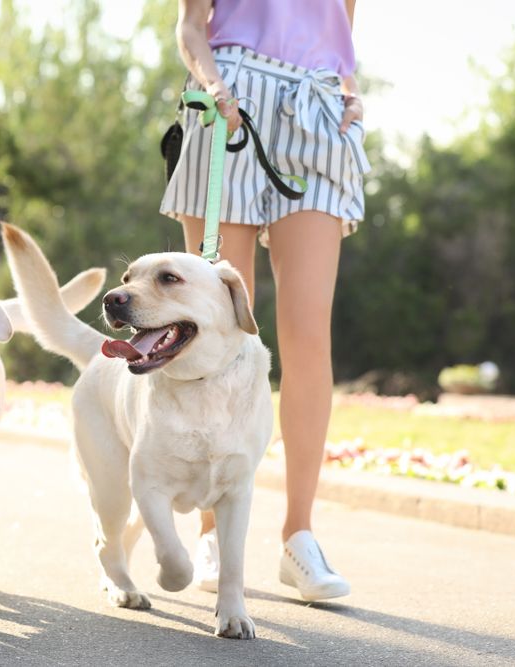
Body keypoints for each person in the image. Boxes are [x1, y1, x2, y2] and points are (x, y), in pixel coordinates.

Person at [160, 0, 370, 600]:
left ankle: (299, 535)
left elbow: (339, 40)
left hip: (315, 112)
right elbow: (191, 27)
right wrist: (215, 88)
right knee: (216, 331)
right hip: (230, 99)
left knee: (308, 338)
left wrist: (351, 94)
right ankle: (210, 531)